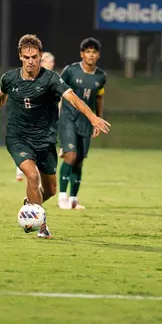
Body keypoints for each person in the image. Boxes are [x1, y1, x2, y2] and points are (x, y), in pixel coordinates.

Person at [0, 34, 110, 239]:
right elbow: (0, 96)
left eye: (34, 57)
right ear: (20, 56)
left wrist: (93, 117)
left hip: (44, 140)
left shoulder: (51, 79)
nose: (31, 61)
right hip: (18, 137)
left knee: (50, 190)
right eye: (27, 57)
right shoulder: (9, 79)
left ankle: (29, 207)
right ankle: (41, 226)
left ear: (40, 56)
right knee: (31, 176)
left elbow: (73, 98)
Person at [57, 38, 107, 210]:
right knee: (70, 155)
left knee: (79, 160)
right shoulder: (70, 71)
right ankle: (62, 197)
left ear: (98, 55)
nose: (91, 55)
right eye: (87, 51)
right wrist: (55, 112)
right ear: (82, 54)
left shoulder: (101, 76)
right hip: (68, 117)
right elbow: (58, 90)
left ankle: (73, 199)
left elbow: (99, 98)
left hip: (86, 120)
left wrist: (97, 121)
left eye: (94, 52)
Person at [15, 51, 56, 181]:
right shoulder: (32, 77)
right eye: (44, 61)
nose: (47, 64)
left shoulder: (54, 79)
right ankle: (22, 167)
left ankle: (33, 170)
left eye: (50, 61)